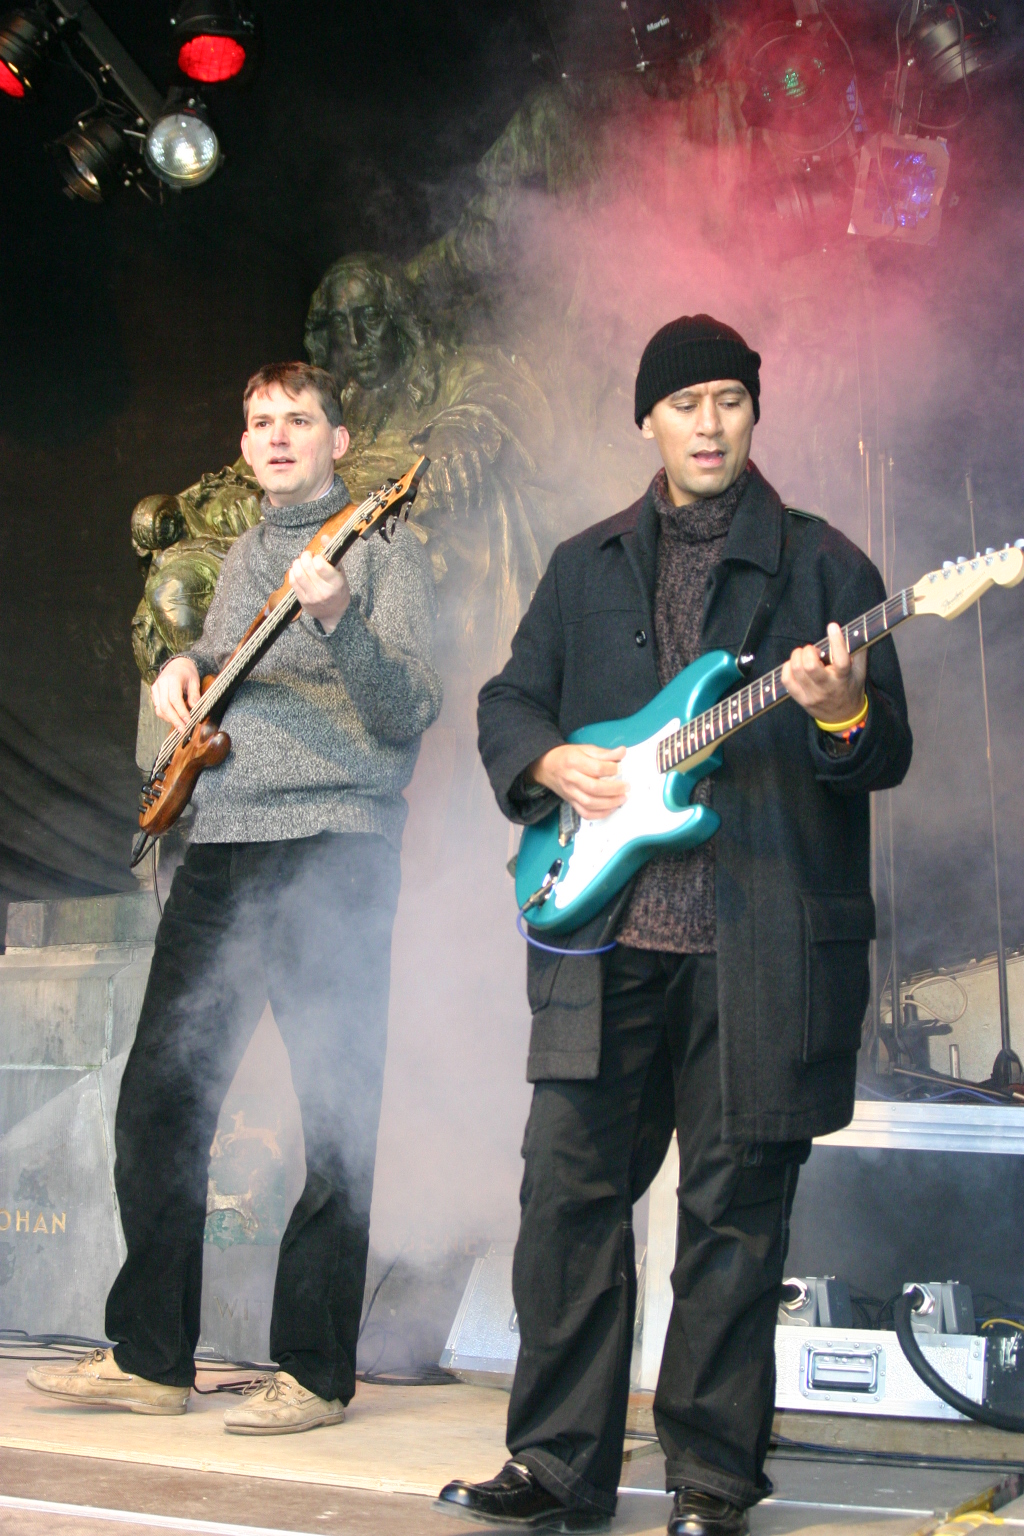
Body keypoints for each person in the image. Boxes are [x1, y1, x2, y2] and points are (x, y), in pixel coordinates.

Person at [438, 316, 912, 1534]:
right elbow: (507, 701)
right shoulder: (584, 564)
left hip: (760, 956)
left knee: (732, 1223)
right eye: (685, 403)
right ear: (646, 420)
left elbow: (880, 756)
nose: (709, 424)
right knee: (566, 1206)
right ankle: (556, 1466)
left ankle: (710, 1479)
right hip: (601, 942)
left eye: (729, 401)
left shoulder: (826, 567)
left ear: (754, 414)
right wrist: (548, 760)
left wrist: (840, 710)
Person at [27, 361, 442, 1433]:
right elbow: (222, 666)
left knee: (333, 1114)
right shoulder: (248, 553)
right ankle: (152, 1358)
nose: (276, 436)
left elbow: (406, 711)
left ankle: (315, 1372)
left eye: (298, 419)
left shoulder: (384, 553)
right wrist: (180, 671)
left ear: (339, 442)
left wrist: (341, 617)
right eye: (259, 421)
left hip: (332, 846)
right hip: (220, 848)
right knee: (160, 1101)